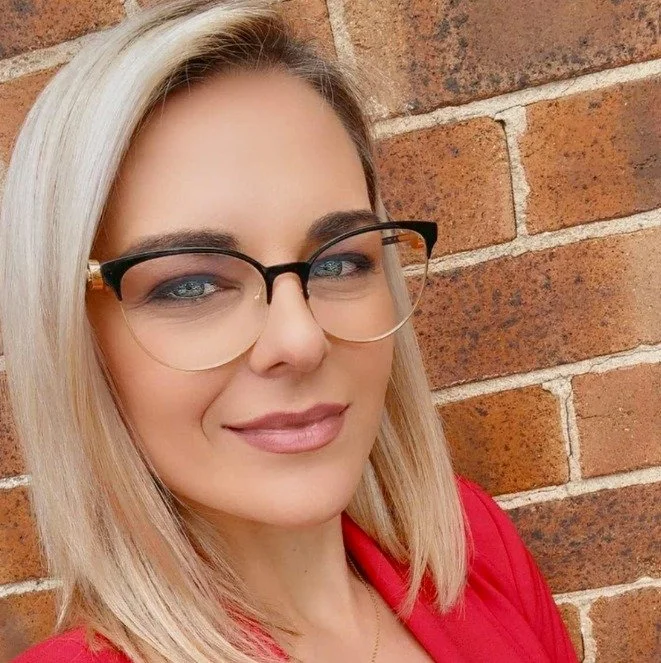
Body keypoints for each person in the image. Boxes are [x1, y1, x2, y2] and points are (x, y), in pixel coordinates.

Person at [0, 1, 579, 661]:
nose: (300, 341)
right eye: (190, 284)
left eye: (339, 262)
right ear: (73, 338)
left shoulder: (472, 546)